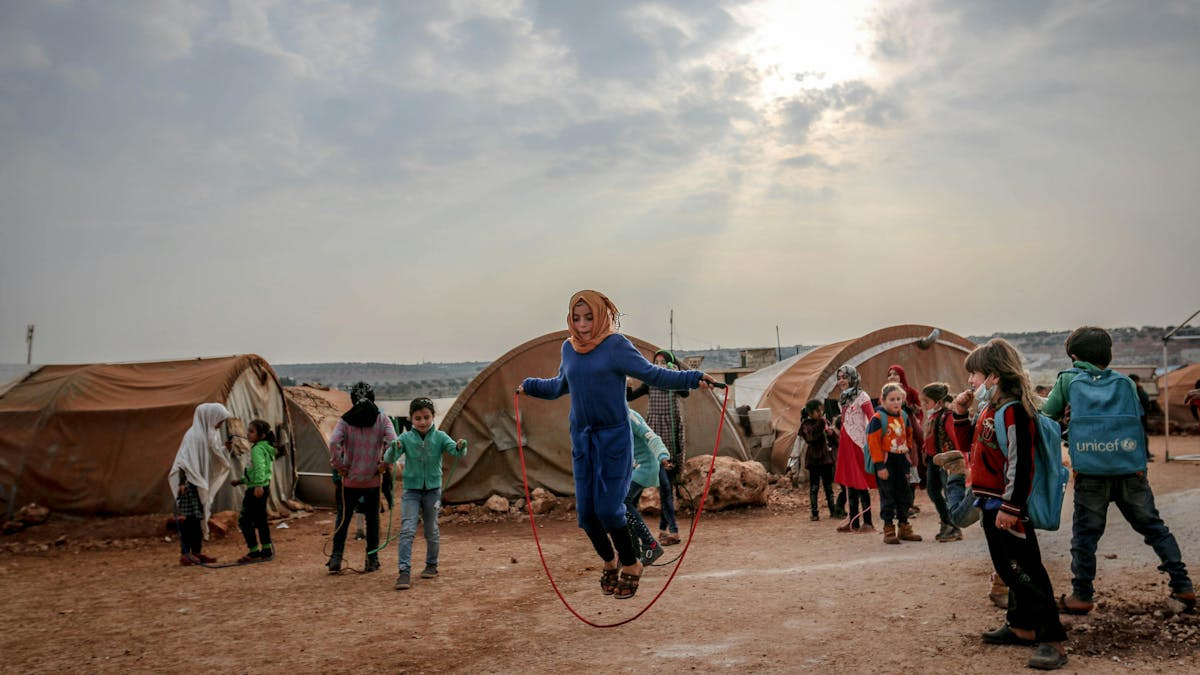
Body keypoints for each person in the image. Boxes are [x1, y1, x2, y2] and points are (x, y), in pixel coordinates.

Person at [518, 290, 717, 600]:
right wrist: (529, 386)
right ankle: (609, 561)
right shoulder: (569, 349)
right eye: (576, 317)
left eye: (589, 317)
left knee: (611, 511)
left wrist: (691, 377)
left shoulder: (616, 346)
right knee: (586, 516)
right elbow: (559, 386)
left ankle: (632, 563)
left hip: (613, 438)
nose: (582, 324)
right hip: (583, 440)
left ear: (602, 316)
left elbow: (653, 374)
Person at [1041, 327, 1195, 615]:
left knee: (1085, 535)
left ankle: (1082, 594)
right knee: (1154, 528)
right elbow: (1135, 419)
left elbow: (1046, 418)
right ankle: (1183, 585)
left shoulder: (1068, 379)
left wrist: (1066, 426)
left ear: (1073, 356)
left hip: (1091, 472)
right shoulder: (1124, 383)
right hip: (1129, 469)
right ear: (1108, 355)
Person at [965, 339, 1068, 670]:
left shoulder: (1013, 410)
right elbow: (977, 446)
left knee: (1024, 570)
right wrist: (956, 416)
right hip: (990, 500)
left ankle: (1051, 638)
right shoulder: (991, 408)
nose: (970, 381)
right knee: (1007, 567)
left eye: (975, 374)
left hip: (1007, 504)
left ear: (994, 376)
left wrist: (1011, 507)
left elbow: (1020, 462)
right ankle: (1021, 626)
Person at [384, 397, 468, 590]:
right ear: (411, 419)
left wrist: (461, 446)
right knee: (407, 530)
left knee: (431, 529)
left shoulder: (440, 437)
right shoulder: (404, 439)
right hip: (411, 491)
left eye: (426, 417)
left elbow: (457, 452)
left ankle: (431, 565)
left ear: (433, 417)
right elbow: (389, 458)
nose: (422, 422)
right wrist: (393, 448)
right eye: (418, 418)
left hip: (433, 491)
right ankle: (404, 572)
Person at [327, 382, 397, 574]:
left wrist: (339, 466)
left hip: (350, 480)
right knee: (372, 519)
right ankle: (372, 559)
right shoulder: (382, 419)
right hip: (372, 479)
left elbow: (333, 441)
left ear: (353, 399)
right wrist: (385, 464)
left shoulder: (345, 420)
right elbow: (395, 442)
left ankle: (336, 558)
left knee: (343, 518)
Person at [627, 350, 689, 546]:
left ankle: (670, 531)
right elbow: (629, 398)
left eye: (663, 362)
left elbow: (686, 391)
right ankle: (663, 530)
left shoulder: (674, 383)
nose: (659, 364)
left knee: (666, 488)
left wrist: (675, 374)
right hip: (653, 437)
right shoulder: (649, 384)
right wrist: (627, 387)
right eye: (656, 361)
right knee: (662, 488)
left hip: (670, 438)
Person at [170, 403, 234, 566]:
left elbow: (211, 458)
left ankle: (196, 552)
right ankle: (185, 554)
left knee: (198, 519)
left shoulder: (210, 435)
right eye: (219, 420)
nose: (220, 424)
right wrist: (182, 483)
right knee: (191, 519)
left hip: (199, 483)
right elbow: (183, 461)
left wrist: (224, 450)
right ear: (209, 417)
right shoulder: (193, 436)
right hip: (190, 484)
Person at [868, 383, 921, 544]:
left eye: (898, 399)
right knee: (887, 494)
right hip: (885, 460)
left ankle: (904, 527)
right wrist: (880, 466)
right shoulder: (878, 419)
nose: (896, 402)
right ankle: (888, 528)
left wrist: (908, 455)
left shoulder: (903, 416)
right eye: (892, 399)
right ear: (882, 401)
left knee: (904, 494)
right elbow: (874, 443)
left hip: (901, 459)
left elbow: (909, 435)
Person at [832, 365, 876, 533]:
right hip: (845, 442)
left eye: (844, 376)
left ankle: (868, 522)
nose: (841, 380)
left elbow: (872, 418)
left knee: (860, 481)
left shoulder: (861, 396)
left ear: (853, 377)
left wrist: (874, 440)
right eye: (839, 377)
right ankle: (854, 521)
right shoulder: (843, 398)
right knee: (850, 481)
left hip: (858, 442)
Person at [624, 410, 670, 565]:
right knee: (625, 510)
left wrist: (663, 455)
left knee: (623, 503)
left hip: (645, 466)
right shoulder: (612, 416)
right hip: (634, 468)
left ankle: (650, 544)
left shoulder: (628, 414)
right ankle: (633, 553)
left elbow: (651, 436)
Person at [921, 383, 962, 542]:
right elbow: (930, 436)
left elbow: (954, 438)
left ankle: (953, 526)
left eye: (927, 401)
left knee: (949, 492)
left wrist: (955, 461)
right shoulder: (933, 415)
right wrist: (925, 449)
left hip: (946, 461)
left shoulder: (947, 416)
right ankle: (946, 520)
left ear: (938, 402)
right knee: (933, 491)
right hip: (933, 460)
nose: (924, 405)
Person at [232, 419, 277, 563]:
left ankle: (253, 551)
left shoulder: (257, 449)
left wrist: (257, 485)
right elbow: (256, 471)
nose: (248, 434)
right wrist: (241, 481)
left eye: (252, 431)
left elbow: (260, 469)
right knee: (260, 520)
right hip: (262, 487)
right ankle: (266, 549)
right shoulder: (265, 447)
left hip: (256, 489)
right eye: (248, 431)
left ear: (262, 435)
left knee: (244, 520)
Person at [799, 399, 838, 521]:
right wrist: (822, 424)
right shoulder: (806, 425)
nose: (820, 413)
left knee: (828, 487)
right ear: (810, 413)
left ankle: (833, 510)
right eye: (817, 411)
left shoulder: (823, 422)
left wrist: (831, 433)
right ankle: (814, 512)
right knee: (814, 487)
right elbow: (811, 437)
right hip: (814, 460)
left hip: (826, 459)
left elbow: (834, 439)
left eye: (821, 410)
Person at [1128, 374, 1153, 462]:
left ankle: (1146, 453)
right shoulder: (1134, 389)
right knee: (1142, 436)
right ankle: (1145, 455)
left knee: (1142, 436)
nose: (1139, 383)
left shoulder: (1133, 389)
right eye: (1137, 381)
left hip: (1139, 415)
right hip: (1135, 416)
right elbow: (1144, 398)